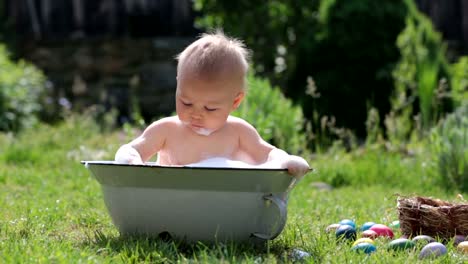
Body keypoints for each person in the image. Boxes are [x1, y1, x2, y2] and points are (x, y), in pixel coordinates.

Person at [115, 31, 310, 178]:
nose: (196, 114)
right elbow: (131, 149)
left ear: (235, 101)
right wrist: (131, 161)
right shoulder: (166, 130)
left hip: (219, 208)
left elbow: (270, 155)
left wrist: (287, 162)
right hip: (172, 203)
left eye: (210, 108)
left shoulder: (239, 132)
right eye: (186, 102)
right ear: (178, 85)